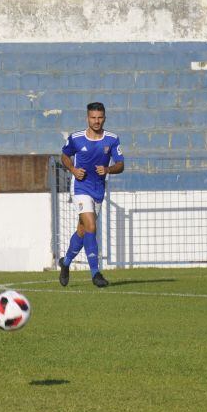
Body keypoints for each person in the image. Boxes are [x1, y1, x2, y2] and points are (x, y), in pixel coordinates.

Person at [58, 102, 125, 288]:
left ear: (104, 118)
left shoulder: (112, 139)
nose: (97, 121)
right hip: (80, 188)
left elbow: (121, 164)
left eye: (100, 117)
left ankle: (65, 263)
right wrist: (72, 169)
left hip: (98, 190)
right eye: (93, 118)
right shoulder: (76, 138)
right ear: (87, 118)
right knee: (91, 226)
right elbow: (64, 155)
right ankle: (96, 274)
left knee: (83, 230)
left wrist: (108, 169)